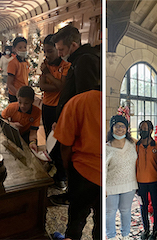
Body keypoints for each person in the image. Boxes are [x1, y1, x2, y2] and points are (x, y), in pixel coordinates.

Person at [49, 24, 100, 206]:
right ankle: (71, 194)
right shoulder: (78, 60)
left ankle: (73, 198)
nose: (60, 54)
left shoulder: (85, 60)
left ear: (73, 45)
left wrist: (67, 123)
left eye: (62, 49)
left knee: (73, 166)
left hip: (77, 128)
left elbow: (84, 100)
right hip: (68, 122)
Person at [53, 89, 101, 240]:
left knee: (76, 221)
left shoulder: (77, 101)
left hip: (83, 172)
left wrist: (68, 169)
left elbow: (64, 145)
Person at [39, 34, 71, 190]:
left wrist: (49, 75)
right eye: (45, 51)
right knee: (49, 139)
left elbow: (63, 87)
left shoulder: (65, 65)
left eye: (50, 51)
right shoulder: (46, 64)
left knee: (59, 141)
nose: (47, 55)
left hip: (60, 107)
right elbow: (42, 86)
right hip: (47, 106)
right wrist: (53, 82)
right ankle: (53, 169)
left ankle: (62, 176)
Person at [106, 115, 137, 240]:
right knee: (110, 213)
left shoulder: (132, 144)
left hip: (129, 185)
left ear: (127, 128)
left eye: (122, 126)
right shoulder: (106, 147)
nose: (120, 129)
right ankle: (111, 236)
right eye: (117, 126)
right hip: (111, 187)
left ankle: (126, 235)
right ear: (112, 128)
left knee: (125, 211)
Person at [136, 120, 157, 240]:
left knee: (156, 206)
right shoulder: (136, 146)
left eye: (145, 129)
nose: (142, 131)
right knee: (143, 206)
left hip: (154, 181)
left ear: (151, 130)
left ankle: (155, 229)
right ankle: (146, 229)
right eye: (141, 128)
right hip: (140, 181)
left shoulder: (156, 146)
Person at [1, 86, 41, 151]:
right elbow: (1, 119)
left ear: (32, 101)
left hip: (27, 135)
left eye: (26, 103)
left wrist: (32, 142)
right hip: (13, 133)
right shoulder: (11, 107)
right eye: (20, 102)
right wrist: (11, 124)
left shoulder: (37, 112)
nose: (22, 106)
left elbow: (33, 132)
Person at [7, 37, 29, 103]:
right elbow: (9, 83)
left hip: (24, 93)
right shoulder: (13, 63)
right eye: (20, 48)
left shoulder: (26, 62)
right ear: (14, 49)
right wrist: (18, 95)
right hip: (15, 95)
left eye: (25, 47)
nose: (23, 50)